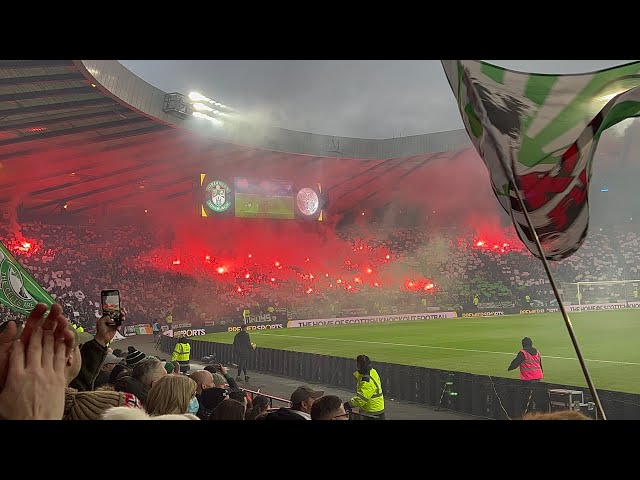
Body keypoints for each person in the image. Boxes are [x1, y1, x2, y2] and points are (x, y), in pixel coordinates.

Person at [345, 354, 385, 419]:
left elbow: (361, 399)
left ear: (358, 365)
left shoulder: (366, 380)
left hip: (372, 411)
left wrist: (349, 404)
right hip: (377, 409)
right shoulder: (372, 371)